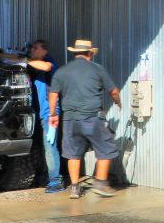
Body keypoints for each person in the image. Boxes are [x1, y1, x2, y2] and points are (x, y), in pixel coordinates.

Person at [47, 39, 122, 199]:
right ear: (89, 54)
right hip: (92, 117)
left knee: (72, 153)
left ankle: (75, 188)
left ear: (75, 53)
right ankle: (100, 183)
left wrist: (52, 114)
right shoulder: (97, 69)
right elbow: (114, 91)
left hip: (69, 120)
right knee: (106, 148)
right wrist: (118, 102)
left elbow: (53, 94)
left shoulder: (62, 71)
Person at [28, 40, 61, 193]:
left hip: (50, 113)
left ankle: (56, 181)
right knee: (40, 147)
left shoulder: (49, 62)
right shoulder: (34, 65)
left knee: (50, 147)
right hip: (37, 112)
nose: (32, 50)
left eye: (36, 48)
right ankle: (44, 176)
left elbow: (46, 67)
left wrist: (25, 60)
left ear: (44, 50)